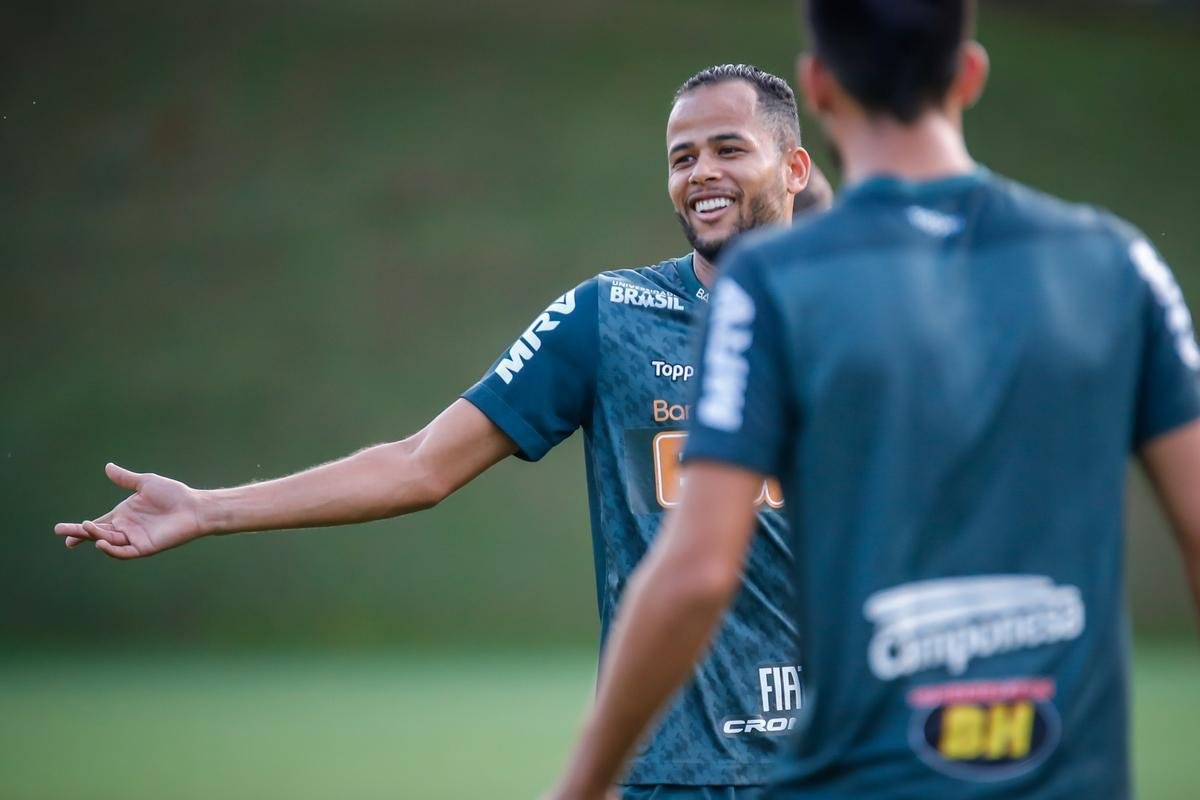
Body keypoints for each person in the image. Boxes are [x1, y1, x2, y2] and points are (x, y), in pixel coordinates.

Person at [55, 65, 829, 799]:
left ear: (794, 169)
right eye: (682, 156)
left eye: (730, 148)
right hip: (676, 772)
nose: (701, 173)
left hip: (845, 757)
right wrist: (206, 508)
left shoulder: (871, 320)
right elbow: (418, 466)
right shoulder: (611, 316)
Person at [546, 3, 1200, 799]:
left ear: (819, 88)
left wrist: (580, 786)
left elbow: (695, 573)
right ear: (970, 74)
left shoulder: (777, 284)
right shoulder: (1118, 266)